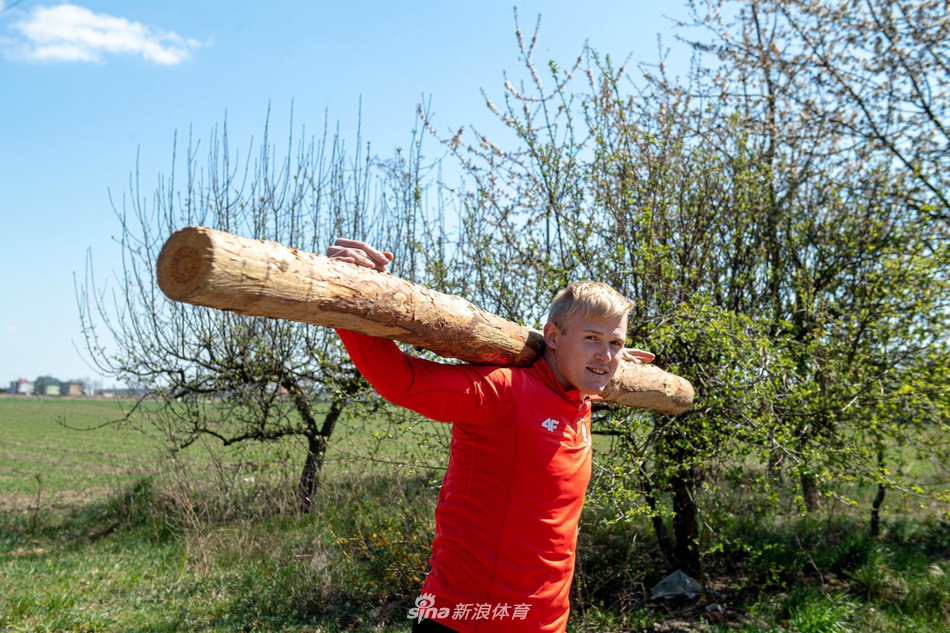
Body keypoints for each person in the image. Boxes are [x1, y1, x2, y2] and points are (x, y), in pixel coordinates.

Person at [327, 238, 654, 633]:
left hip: (547, 625)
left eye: (615, 343)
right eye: (591, 338)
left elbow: (590, 366)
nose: (606, 354)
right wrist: (355, 293)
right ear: (552, 336)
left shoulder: (579, 400)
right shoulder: (505, 391)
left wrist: (604, 358)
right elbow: (403, 381)